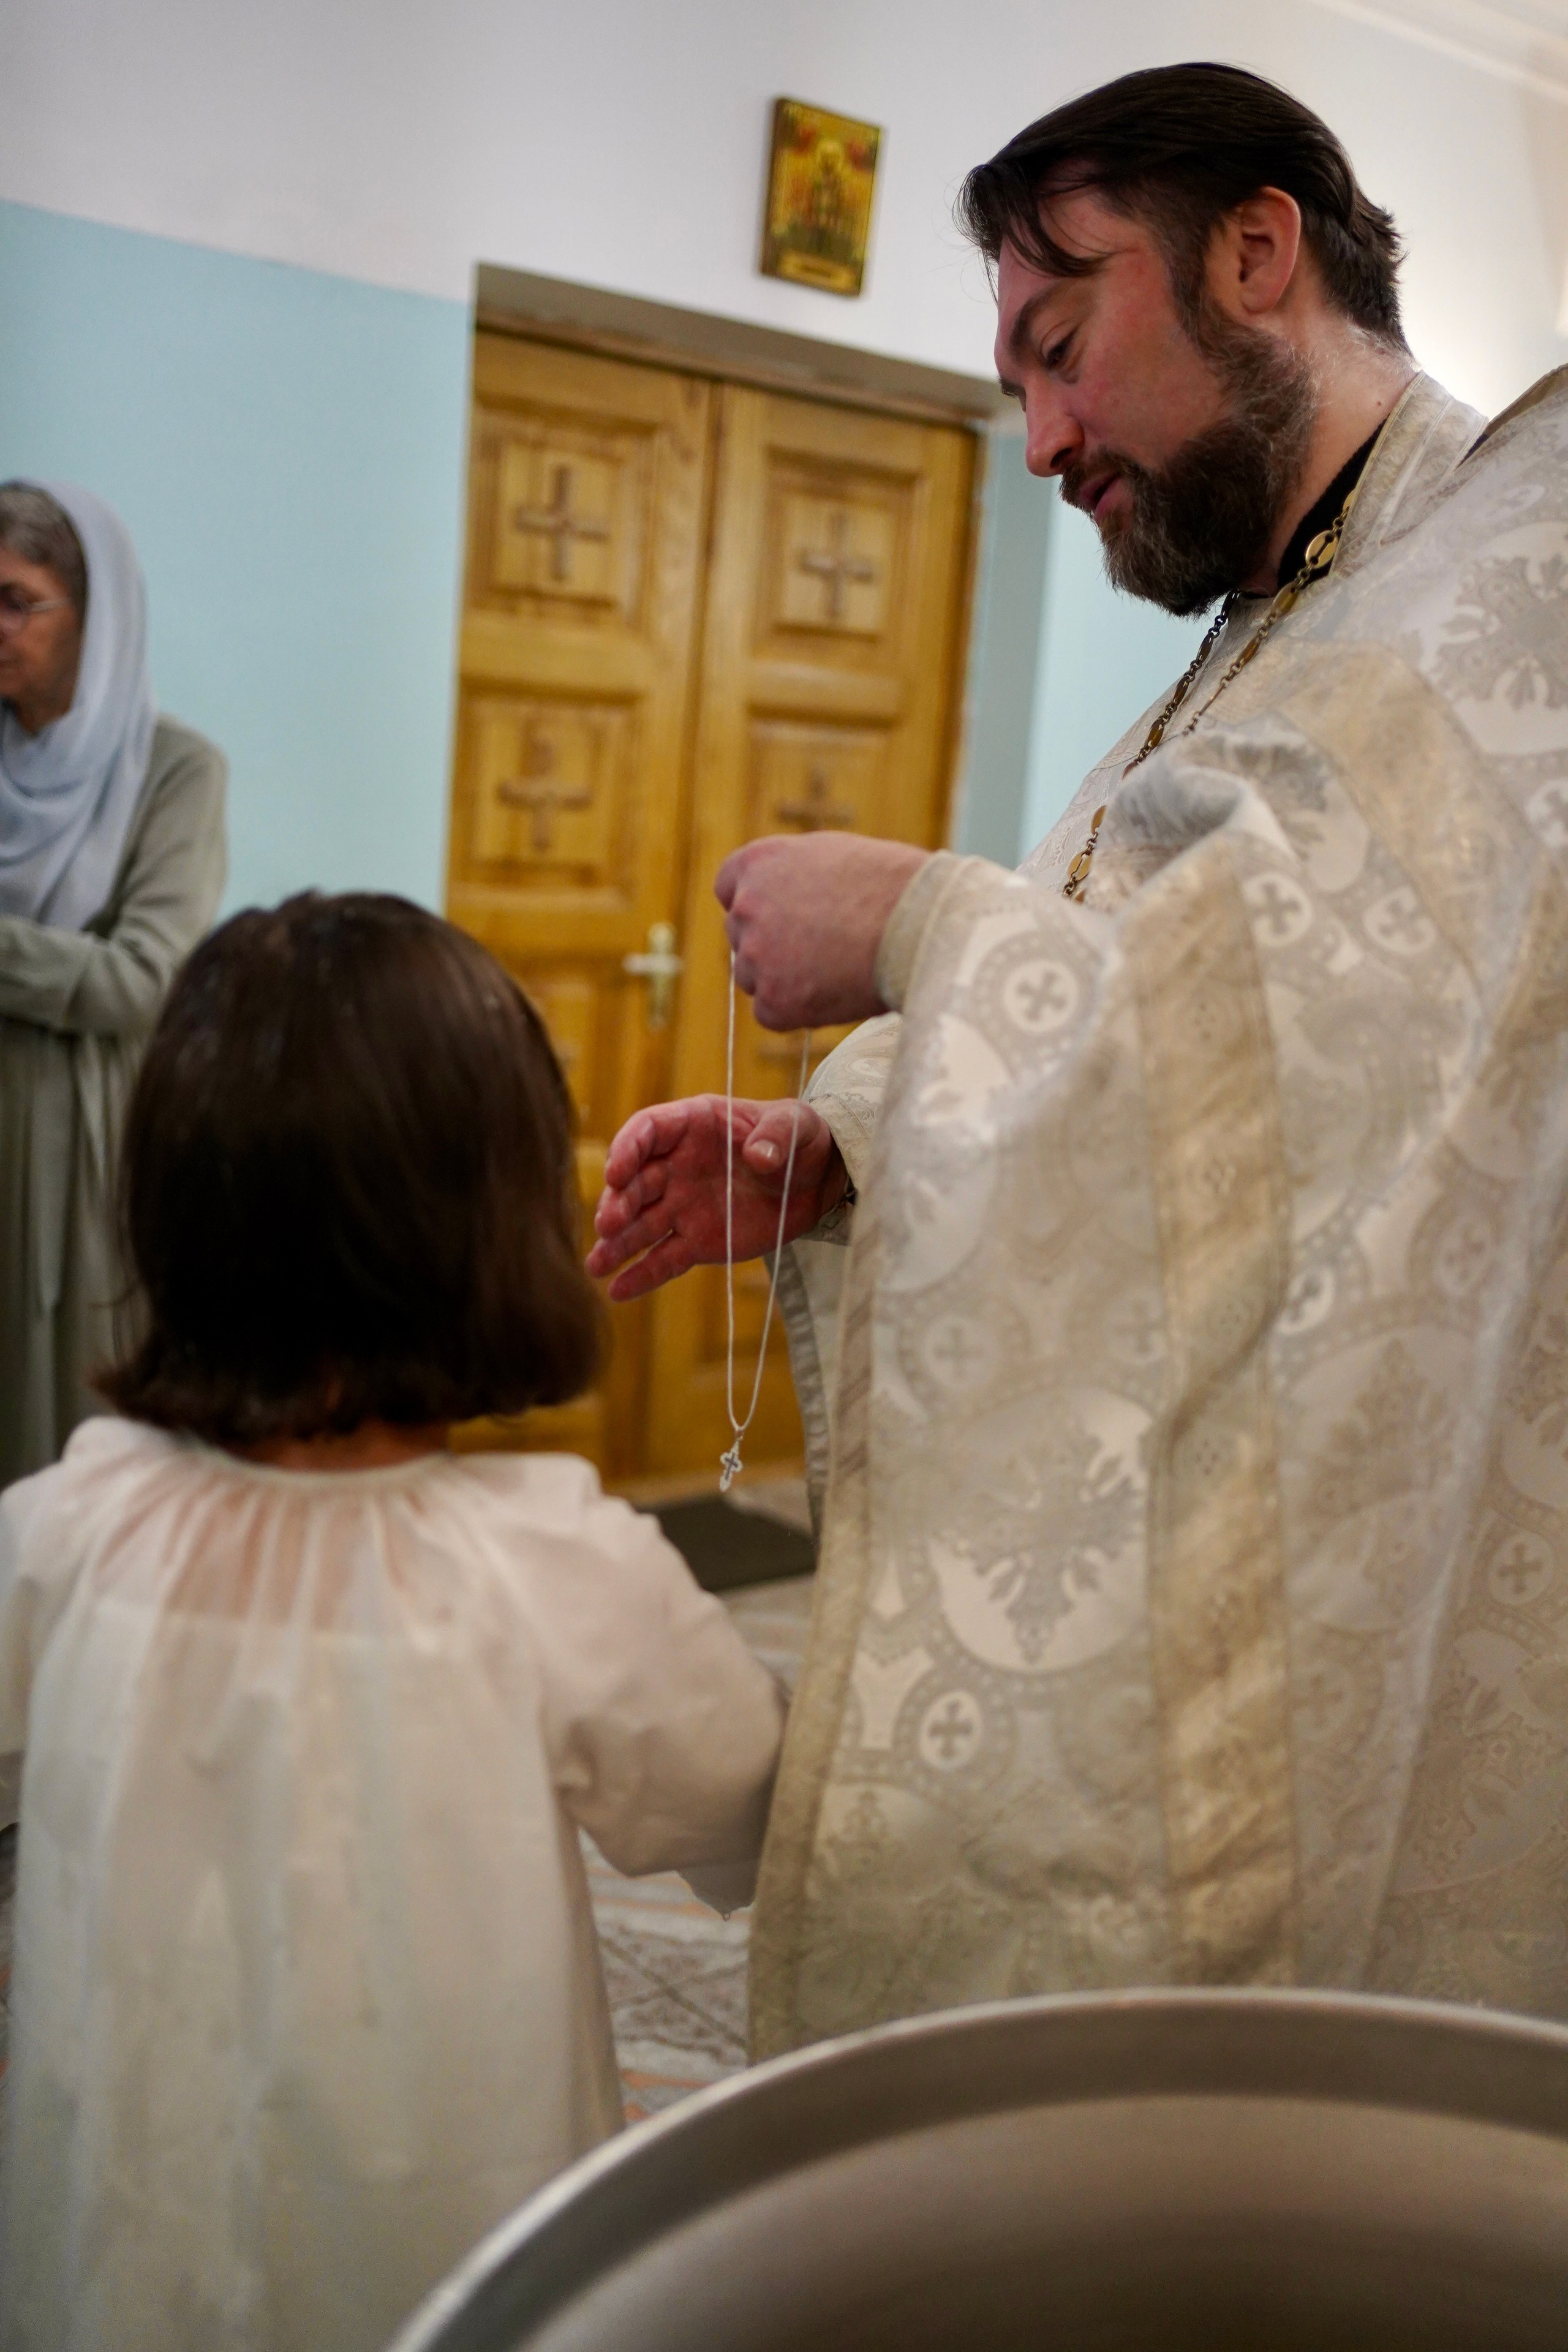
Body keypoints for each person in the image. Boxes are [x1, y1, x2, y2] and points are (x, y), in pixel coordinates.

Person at [589, 63, 1568, 2056]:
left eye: (1060, 343)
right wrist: (846, 1138)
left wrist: (918, 923)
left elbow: (1341, 1070)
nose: (1038, 437)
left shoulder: (1501, 585)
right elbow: (1165, 973)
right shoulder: (1274, 626)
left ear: (1258, 249)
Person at [0, 894, 786, 2352]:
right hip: (448, 2260)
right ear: (490, 1230)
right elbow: (757, 1812)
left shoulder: (63, 1526)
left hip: (119, 2230)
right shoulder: (554, 1569)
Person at [0, 480, 227, 1487]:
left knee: (64, 1447)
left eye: (18, 600)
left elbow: (141, 980)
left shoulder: (176, 771)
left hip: (79, 1142)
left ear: (99, 617)